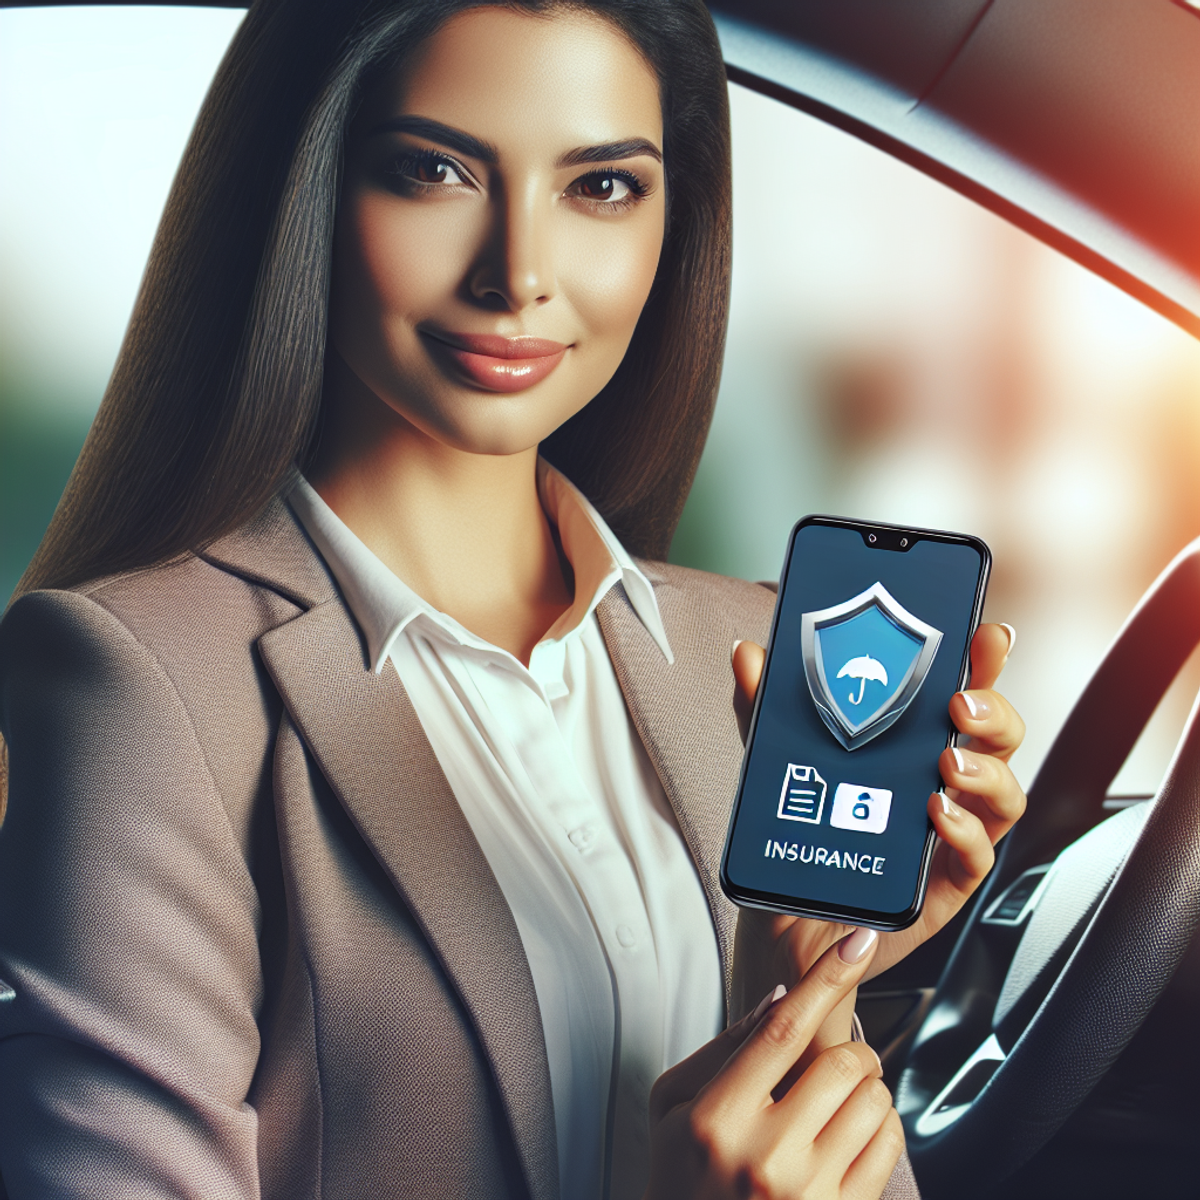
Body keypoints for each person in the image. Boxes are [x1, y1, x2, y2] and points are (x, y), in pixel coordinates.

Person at [0, 1, 1027, 1196]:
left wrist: (816, 972)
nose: (519, 276)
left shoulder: (751, 647)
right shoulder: (135, 682)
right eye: (432, 171)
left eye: (600, 188)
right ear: (307, 186)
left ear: (673, 219)